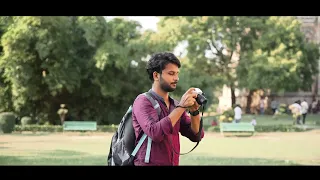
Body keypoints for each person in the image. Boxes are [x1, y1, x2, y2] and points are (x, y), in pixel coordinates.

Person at [131, 52, 205, 166]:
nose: (176, 78)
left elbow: (196, 135)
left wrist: (194, 112)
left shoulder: (174, 105)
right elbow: (155, 133)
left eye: (177, 74)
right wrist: (181, 107)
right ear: (156, 75)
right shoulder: (142, 101)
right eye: (171, 73)